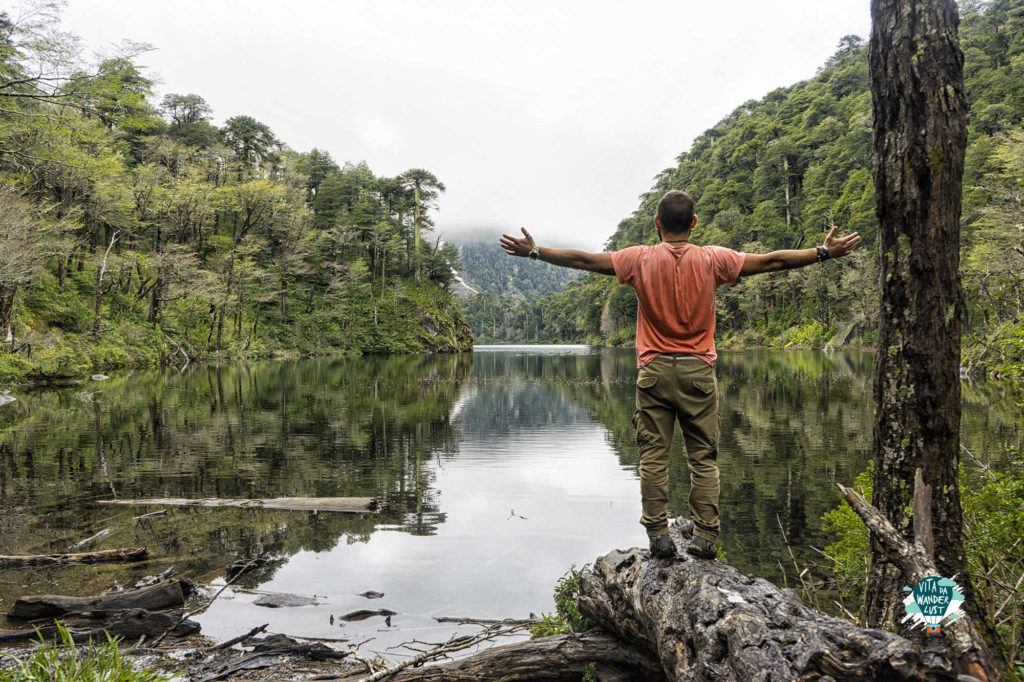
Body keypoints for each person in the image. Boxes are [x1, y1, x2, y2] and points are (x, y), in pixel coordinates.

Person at [500, 190, 860, 559]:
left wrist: (534, 250)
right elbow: (772, 262)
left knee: (653, 457)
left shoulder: (637, 259)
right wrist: (823, 252)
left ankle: (658, 537)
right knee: (703, 459)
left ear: (657, 224)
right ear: (694, 223)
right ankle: (704, 537)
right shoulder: (713, 259)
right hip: (697, 373)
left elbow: (585, 260)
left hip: (653, 372)